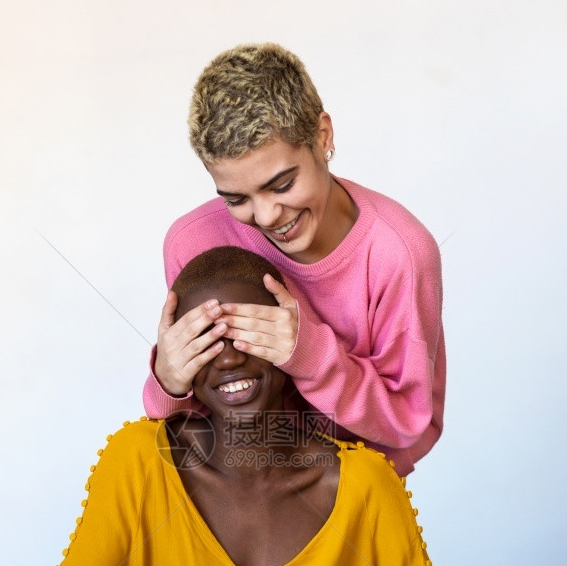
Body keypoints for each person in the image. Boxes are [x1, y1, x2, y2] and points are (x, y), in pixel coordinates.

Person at [0, 248, 456, 566]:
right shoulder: (137, 463)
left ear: (292, 341)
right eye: (204, 341)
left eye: (248, 333)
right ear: (177, 359)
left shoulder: (365, 482)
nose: (229, 358)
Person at [143, 43, 445, 477]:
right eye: (236, 198)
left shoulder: (399, 253)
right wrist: (168, 382)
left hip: (347, 498)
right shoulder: (193, 242)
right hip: (232, 491)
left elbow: (409, 425)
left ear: (323, 138)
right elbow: (194, 415)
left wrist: (308, 354)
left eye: (282, 184)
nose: (266, 217)